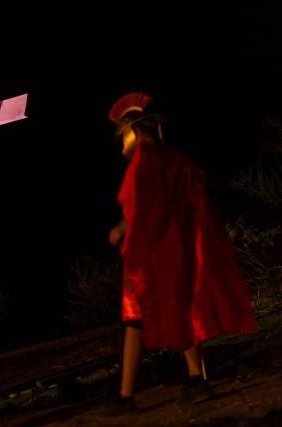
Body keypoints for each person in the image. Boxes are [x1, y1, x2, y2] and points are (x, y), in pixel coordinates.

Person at [107, 92, 258, 411]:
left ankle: (131, 396)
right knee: (175, 312)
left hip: (150, 256)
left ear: (134, 131)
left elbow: (148, 214)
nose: (121, 146)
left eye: (123, 137)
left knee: (136, 322)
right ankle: (189, 380)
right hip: (176, 251)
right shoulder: (173, 158)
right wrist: (121, 228)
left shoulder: (144, 162)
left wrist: (134, 254)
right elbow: (169, 204)